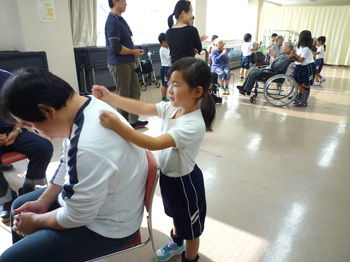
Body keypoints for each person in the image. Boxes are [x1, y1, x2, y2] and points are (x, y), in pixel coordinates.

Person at [0, 68, 148, 262]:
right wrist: (43, 202)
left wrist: (35, 221)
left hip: (107, 228)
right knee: (20, 206)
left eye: (30, 124)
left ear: (46, 110)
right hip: (104, 204)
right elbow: (66, 162)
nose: (34, 131)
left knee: (10, 258)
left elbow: (76, 217)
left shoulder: (88, 146)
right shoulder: (86, 105)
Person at [92, 57, 215, 262]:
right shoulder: (171, 108)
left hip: (186, 183)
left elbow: (153, 143)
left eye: (176, 84)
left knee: (192, 229)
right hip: (168, 178)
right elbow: (140, 108)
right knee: (176, 216)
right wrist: (110, 97)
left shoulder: (193, 125)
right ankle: (177, 244)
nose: (169, 88)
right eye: (169, 82)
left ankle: (190, 258)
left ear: (197, 92)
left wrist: (118, 125)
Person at [0, 69, 53, 223]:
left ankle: (28, 190)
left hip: (10, 129)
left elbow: (19, 109)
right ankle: (6, 199)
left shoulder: (7, 78)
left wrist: (17, 129)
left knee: (43, 147)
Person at [105, 0, 148, 129]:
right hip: (119, 64)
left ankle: (133, 121)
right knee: (123, 94)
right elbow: (116, 48)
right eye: (123, 0)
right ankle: (122, 125)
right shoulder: (112, 21)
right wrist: (133, 52)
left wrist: (133, 59)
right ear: (115, 1)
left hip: (128, 62)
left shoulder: (119, 20)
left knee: (135, 91)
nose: (126, 3)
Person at [291, 30, 316, 107]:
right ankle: (300, 97)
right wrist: (295, 55)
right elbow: (300, 57)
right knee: (299, 82)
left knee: (306, 84)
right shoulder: (301, 47)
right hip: (301, 66)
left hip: (308, 67)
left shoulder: (306, 49)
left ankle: (304, 101)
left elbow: (301, 60)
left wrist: (292, 58)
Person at [158, 33, 172, 102]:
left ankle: (166, 98)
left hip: (167, 68)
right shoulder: (163, 49)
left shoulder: (165, 49)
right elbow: (170, 55)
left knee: (167, 84)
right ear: (163, 41)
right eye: (167, 41)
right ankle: (163, 98)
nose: (168, 42)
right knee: (165, 85)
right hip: (165, 68)